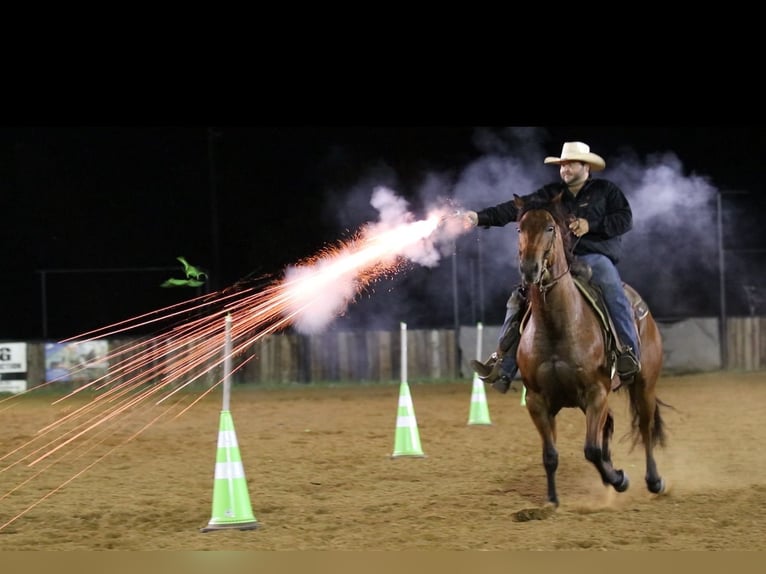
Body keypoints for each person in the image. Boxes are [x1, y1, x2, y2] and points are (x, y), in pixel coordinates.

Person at [463, 141, 641, 392]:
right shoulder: (551, 194)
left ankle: (628, 354)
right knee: (520, 297)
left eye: (570, 164)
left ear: (586, 166)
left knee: (613, 291)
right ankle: (503, 364)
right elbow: (517, 207)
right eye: (562, 164)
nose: (565, 169)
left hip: (595, 257)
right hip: (559, 261)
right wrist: (479, 217)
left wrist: (590, 225)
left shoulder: (606, 191)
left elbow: (625, 219)